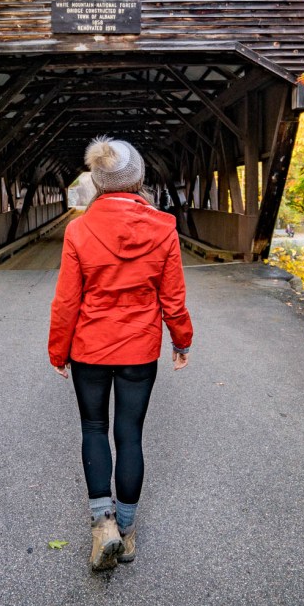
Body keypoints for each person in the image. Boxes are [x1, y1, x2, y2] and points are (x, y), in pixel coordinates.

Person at [48, 136, 194, 571]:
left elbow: (66, 301)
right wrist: (181, 340)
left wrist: (58, 350)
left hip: (90, 348)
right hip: (139, 347)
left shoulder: (79, 230)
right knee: (129, 434)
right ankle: (127, 533)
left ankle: (103, 524)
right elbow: (174, 297)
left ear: (98, 180)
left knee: (94, 428)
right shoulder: (163, 228)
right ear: (139, 179)